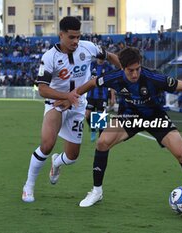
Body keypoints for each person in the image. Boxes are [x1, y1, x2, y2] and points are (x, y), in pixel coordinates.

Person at [56, 47, 182, 208]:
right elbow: (92, 83)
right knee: (102, 143)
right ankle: (96, 192)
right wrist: (71, 98)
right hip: (130, 117)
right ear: (122, 68)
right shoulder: (114, 77)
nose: (135, 74)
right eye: (130, 70)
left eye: (137, 69)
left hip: (155, 117)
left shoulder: (154, 78)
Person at [21, 16, 120, 203]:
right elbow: (42, 89)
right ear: (61, 35)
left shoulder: (88, 47)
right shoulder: (49, 57)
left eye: (78, 37)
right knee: (47, 144)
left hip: (78, 105)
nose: (76, 41)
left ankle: (57, 163)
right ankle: (28, 186)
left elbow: (111, 56)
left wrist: (124, 71)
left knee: (73, 157)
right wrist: (66, 96)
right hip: (56, 103)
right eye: (71, 37)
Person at [85, 58, 115, 142]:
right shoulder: (91, 65)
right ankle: (93, 128)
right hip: (90, 94)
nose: (101, 59)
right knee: (87, 114)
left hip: (102, 96)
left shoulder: (108, 67)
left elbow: (113, 83)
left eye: (102, 57)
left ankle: (100, 139)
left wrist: (113, 97)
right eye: (99, 57)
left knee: (100, 117)